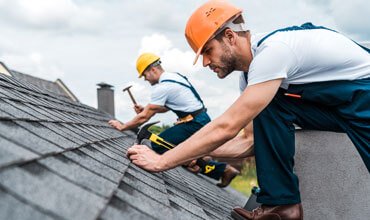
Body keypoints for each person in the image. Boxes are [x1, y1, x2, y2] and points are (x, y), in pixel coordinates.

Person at [126, 1, 370, 219]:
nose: (205, 62)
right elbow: (250, 141)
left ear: (230, 37)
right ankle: (282, 207)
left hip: (364, 98)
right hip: (340, 107)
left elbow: (227, 126)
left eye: (208, 51)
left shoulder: (274, 52)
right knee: (271, 104)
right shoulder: (251, 79)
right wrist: (190, 155)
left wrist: (162, 160)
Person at [109, 52, 240, 187]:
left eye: (144, 75)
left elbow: (144, 117)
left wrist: (122, 126)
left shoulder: (163, 87)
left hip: (193, 123)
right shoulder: (174, 77)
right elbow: (164, 108)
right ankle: (220, 169)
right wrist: (146, 109)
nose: (145, 79)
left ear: (152, 69)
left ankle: (203, 164)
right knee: (182, 150)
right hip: (199, 120)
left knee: (157, 145)